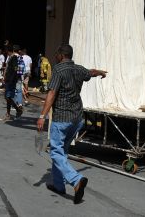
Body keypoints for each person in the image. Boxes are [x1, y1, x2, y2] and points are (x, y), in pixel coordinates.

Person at [36, 44, 107, 204]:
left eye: (56, 54)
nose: (55, 56)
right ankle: (59, 185)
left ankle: (76, 180)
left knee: (55, 152)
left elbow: (52, 93)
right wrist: (100, 72)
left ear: (61, 55)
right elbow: (91, 72)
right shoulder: (79, 69)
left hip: (62, 119)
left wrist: (42, 115)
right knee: (61, 152)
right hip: (77, 119)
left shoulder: (58, 70)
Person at [0, 45, 25, 121]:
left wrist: (11, 79)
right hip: (11, 80)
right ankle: (13, 112)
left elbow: (15, 69)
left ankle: (14, 112)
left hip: (11, 81)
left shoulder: (14, 58)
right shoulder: (14, 57)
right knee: (8, 97)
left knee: (8, 97)